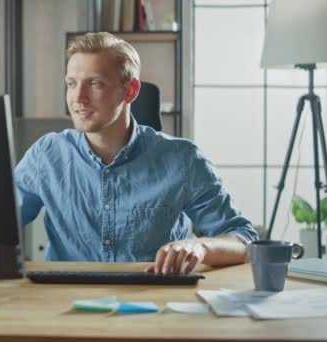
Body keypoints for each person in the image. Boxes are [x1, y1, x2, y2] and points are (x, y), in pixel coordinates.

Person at [14, 32, 258, 274]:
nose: (78, 98)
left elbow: (244, 239)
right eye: (71, 84)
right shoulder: (45, 155)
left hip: (152, 299)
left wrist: (200, 246)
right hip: (64, 301)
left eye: (95, 83)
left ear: (130, 91)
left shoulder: (183, 159)